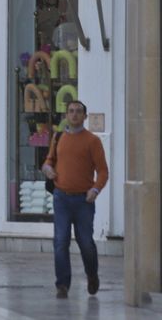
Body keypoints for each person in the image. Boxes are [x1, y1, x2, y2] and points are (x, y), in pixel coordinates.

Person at [42, 100, 109, 298]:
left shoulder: (92, 141)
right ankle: (62, 285)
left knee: (86, 242)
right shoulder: (58, 137)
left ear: (85, 117)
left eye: (78, 112)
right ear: (66, 116)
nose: (74, 115)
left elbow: (103, 171)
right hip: (61, 198)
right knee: (60, 242)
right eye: (70, 111)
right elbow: (49, 160)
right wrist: (48, 169)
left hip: (83, 201)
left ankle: (92, 274)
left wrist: (95, 190)